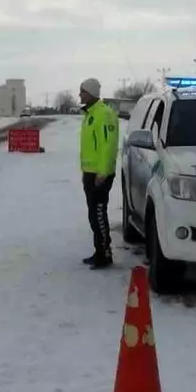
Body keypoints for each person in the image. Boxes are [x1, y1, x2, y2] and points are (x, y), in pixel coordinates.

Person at [78, 78, 120, 269]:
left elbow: (108, 145)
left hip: (99, 175)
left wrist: (103, 172)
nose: (80, 95)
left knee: (98, 213)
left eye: (82, 91)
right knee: (93, 214)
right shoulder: (91, 114)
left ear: (91, 93)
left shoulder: (104, 114)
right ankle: (99, 251)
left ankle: (105, 253)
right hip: (90, 172)